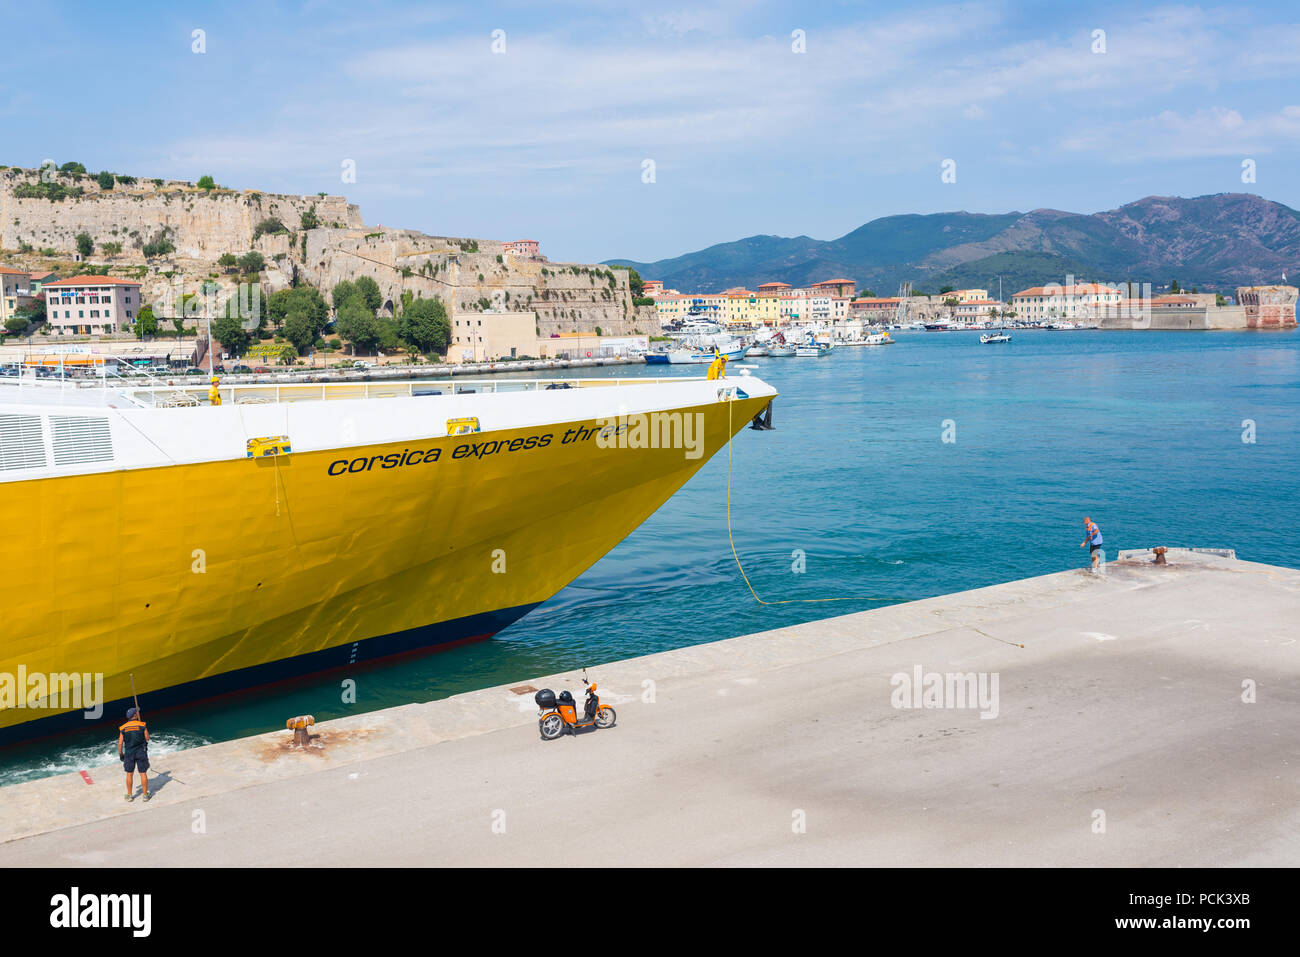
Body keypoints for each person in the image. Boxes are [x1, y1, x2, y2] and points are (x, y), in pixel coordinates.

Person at [118, 707, 152, 802]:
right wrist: (142, 728)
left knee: (129, 774)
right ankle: (145, 795)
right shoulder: (142, 725)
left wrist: (121, 754)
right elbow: (147, 738)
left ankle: (129, 795)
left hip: (129, 753)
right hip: (141, 752)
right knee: (143, 773)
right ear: (135, 715)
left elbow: (120, 743)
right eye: (136, 713)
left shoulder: (123, 728)